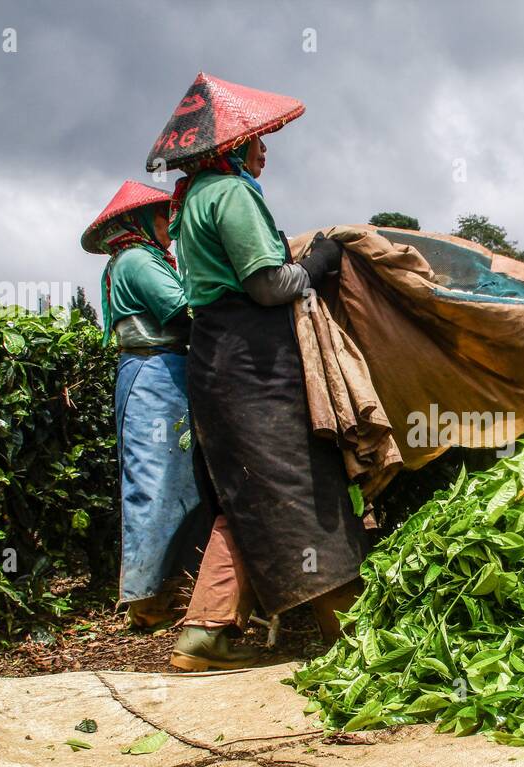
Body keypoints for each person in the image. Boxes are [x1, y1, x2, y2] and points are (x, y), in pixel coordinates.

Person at [146, 73, 366, 671]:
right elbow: (267, 284)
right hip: (252, 366)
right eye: (258, 139)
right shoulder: (231, 193)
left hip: (218, 363)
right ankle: (348, 636)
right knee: (298, 485)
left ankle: (206, 633)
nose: (264, 148)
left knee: (250, 493)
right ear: (229, 149)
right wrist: (317, 265)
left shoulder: (191, 200)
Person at [80, 180, 208, 627]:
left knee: (178, 480)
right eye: (160, 218)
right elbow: (179, 309)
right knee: (154, 482)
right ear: (138, 222)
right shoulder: (137, 259)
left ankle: (169, 586)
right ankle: (144, 599)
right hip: (152, 372)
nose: (168, 227)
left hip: (163, 372)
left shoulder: (143, 258)